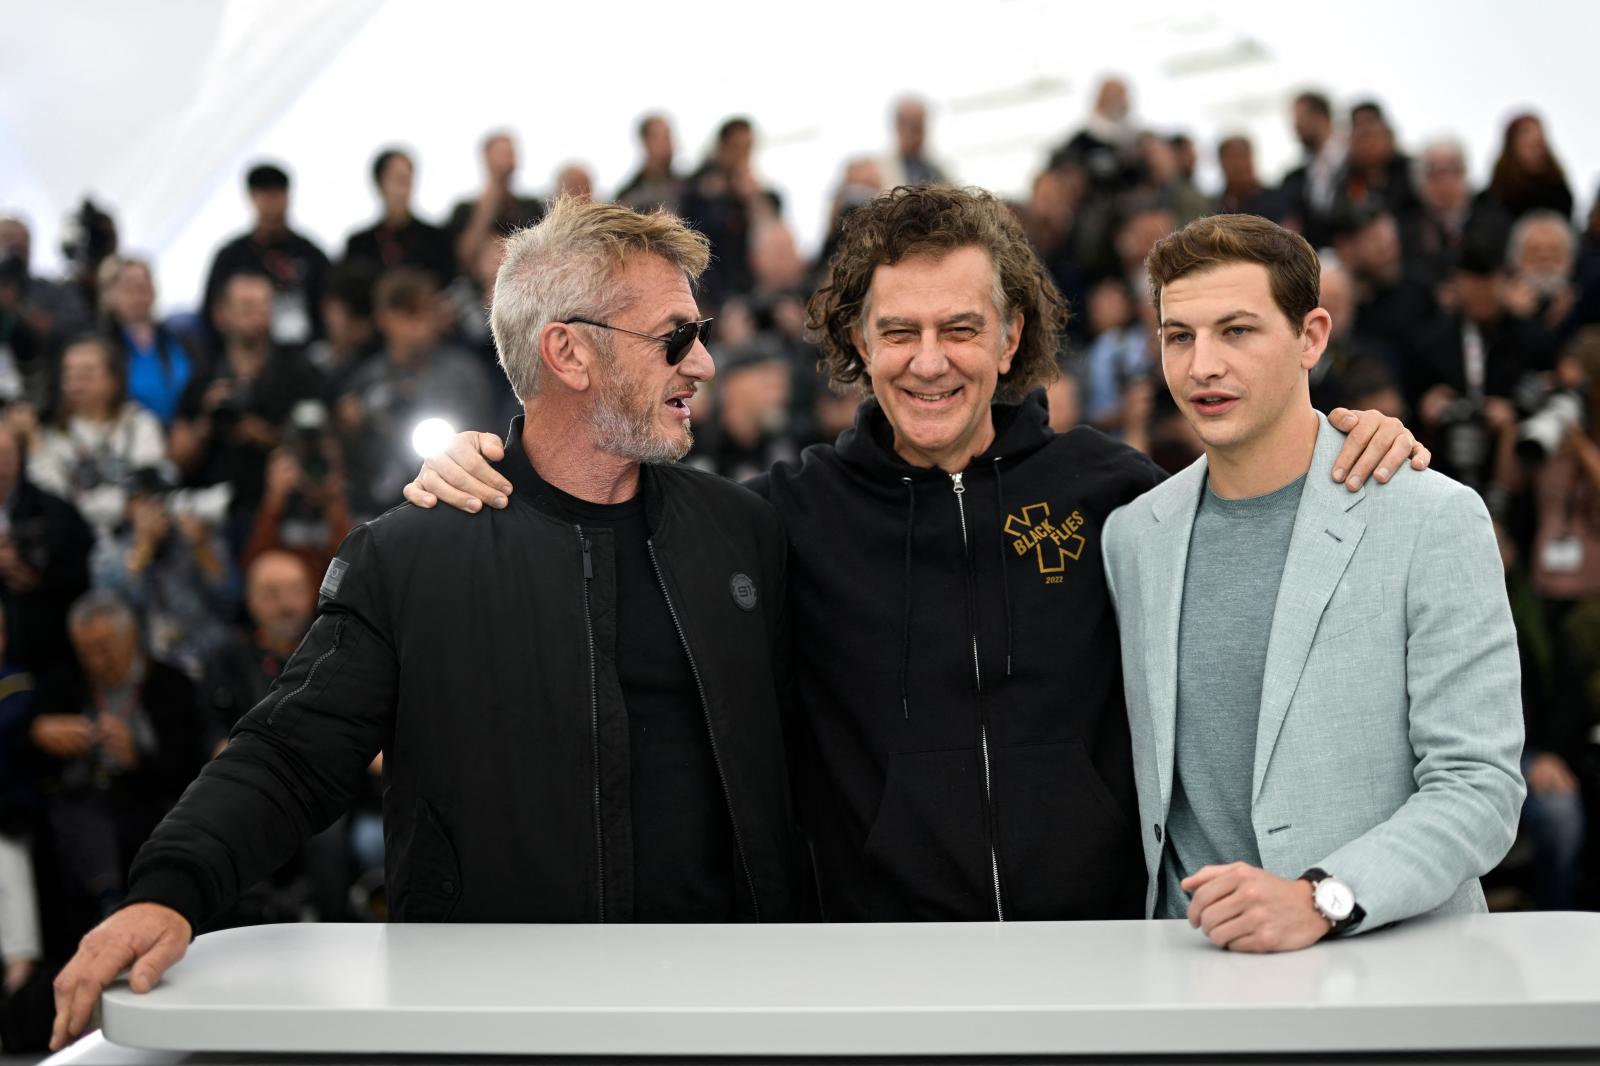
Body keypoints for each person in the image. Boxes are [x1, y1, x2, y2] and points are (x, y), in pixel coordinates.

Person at [409, 187, 1429, 925]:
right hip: (879, 971)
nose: (928, 361)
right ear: (857, 343)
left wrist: (1349, 436)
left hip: (1102, 955)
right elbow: (598, 507)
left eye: (960, 328)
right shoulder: (780, 519)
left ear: (1010, 336)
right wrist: (489, 464)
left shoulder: (1114, 493)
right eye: (897, 331)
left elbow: (1260, 502)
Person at [47, 197, 809, 1051]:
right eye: (674, 337)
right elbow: (293, 754)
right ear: (568, 352)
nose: (703, 361)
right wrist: (168, 891)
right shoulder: (411, 556)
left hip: (723, 1019)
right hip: (489, 1027)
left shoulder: (740, 534)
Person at [1102, 213, 1524, 952]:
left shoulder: (1432, 517)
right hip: (1190, 970)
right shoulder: (1134, 537)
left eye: (1237, 331)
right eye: (1179, 336)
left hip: (1388, 966)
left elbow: (1479, 787)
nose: (1203, 365)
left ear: (1312, 337)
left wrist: (1323, 899)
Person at [24, 336, 167, 536]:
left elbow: (146, 493)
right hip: (76, 539)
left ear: (114, 380)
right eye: (69, 375)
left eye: (86, 374)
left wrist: (87, 503)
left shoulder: (140, 424)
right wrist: (34, 444)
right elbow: (55, 499)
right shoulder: (51, 435)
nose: (75, 384)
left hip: (136, 537)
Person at [201, 164, 330, 347]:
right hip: (248, 350)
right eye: (265, 197)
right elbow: (211, 314)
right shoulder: (232, 257)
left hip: (306, 350)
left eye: (277, 195)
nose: (272, 205)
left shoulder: (310, 254)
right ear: (252, 198)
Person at [98, 257, 196, 426]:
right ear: (109, 296)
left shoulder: (178, 338)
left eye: (144, 287)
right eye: (129, 289)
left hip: (181, 431)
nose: (139, 296)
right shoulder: (102, 348)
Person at [344, 148, 456, 287]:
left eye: (407, 180)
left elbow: (448, 285)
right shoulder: (360, 245)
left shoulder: (436, 240)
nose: (402, 191)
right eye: (397, 180)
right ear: (380, 184)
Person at [447, 132, 545, 282]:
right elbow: (464, 256)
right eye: (501, 152)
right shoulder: (464, 210)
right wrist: (492, 193)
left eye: (510, 152)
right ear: (486, 158)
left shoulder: (531, 207)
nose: (507, 158)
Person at [615, 114, 685, 215]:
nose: (665, 144)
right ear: (645, 142)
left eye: (667, 137)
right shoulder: (629, 196)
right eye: (657, 137)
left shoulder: (687, 189)